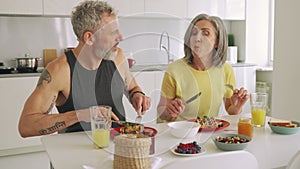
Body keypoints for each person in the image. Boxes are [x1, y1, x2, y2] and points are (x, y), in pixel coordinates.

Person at [18, 0, 151, 137]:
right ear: (89, 38)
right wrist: (81, 115)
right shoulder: (60, 70)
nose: (121, 37)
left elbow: (132, 88)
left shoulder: (118, 57)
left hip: (118, 147)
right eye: (113, 33)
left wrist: (138, 96)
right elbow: (26, 126)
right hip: (76, 151)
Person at [157, 13, 248, 122]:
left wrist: (237, 108)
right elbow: (161, 113)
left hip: (209, 132)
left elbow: (230, 109)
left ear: (216, 42)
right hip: (180, 133)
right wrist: (169, 111)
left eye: (205, 34)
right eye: (194, 33)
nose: (197, 38)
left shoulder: (225, 70)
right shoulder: (174, 70)